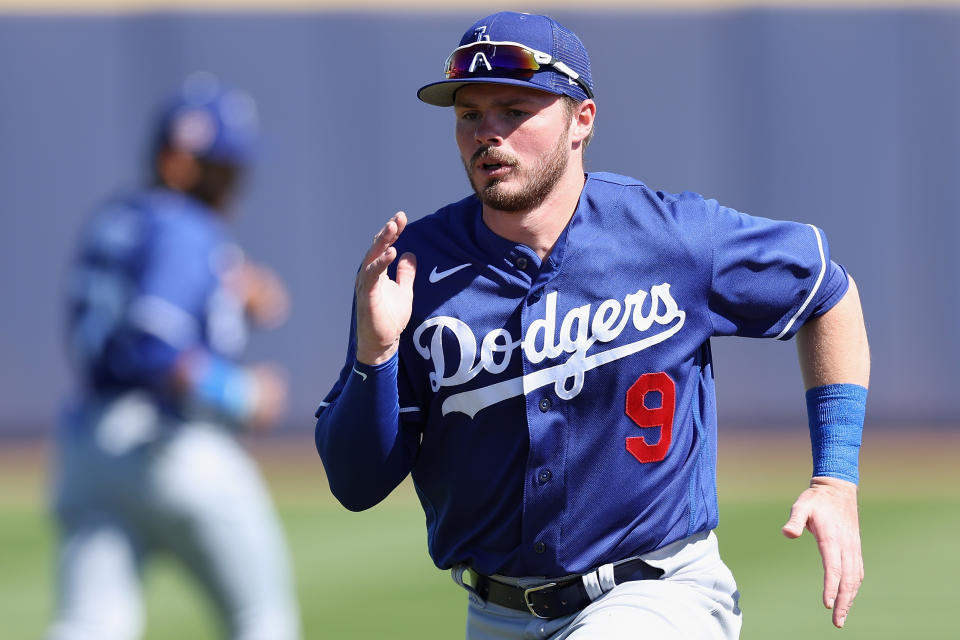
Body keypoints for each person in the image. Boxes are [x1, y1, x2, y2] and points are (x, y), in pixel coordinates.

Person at [314, 11, 869, 640]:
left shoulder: (672, 237)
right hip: (494, 615)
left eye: (514, 109)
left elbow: (827, 291)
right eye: (470, 113)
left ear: (582, 120)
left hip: (658, 594)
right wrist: (375, 355)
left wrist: (835, 479)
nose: (486, 133)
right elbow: (356, 484)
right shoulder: (413, 267)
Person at [48, 73, 301, 640]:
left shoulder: (116, 218)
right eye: (219, 167)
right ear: (177, 160)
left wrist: (232, 293)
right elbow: (156, 346)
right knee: (261, 621)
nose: (234, 183)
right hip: (174, 445)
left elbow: (136, 309)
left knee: (87, 624)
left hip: (90, 443)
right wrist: (242, 395)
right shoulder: (186, 228)